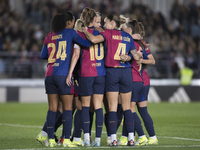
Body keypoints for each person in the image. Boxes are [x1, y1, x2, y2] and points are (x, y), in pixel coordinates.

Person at [82, 13, 140, 146]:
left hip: (112, 72)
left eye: (106, 22)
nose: (104, 25)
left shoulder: (108, 33)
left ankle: (113, 139)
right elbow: (135, 56)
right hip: (126, 72)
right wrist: (129, 58)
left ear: (113, 23)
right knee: (127, 108)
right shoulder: (127, 36)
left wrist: (85, 30)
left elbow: (94, 40)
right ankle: (131, 138)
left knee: (112, 108)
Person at [40, 11, 91, 148]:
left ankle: (50, 140)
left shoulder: (49, 35)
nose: (73, 23)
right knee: (68, 109)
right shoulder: (70, 33)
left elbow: (43, 55)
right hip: (63, 75)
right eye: (73, 21)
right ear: (69, 22)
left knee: (52, 109)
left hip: (49, 75)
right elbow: (86, 44)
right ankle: (67, 140)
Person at [67, 8, 106, 147]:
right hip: (101, 74)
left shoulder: (79, 34)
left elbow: (76, 55)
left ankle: (87, 139)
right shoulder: (102, 33)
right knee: (98, 107)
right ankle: (98, 141)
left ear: (84, 19)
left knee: (84, 107)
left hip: (86, 73)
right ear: (94, 19)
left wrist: (70, 73)